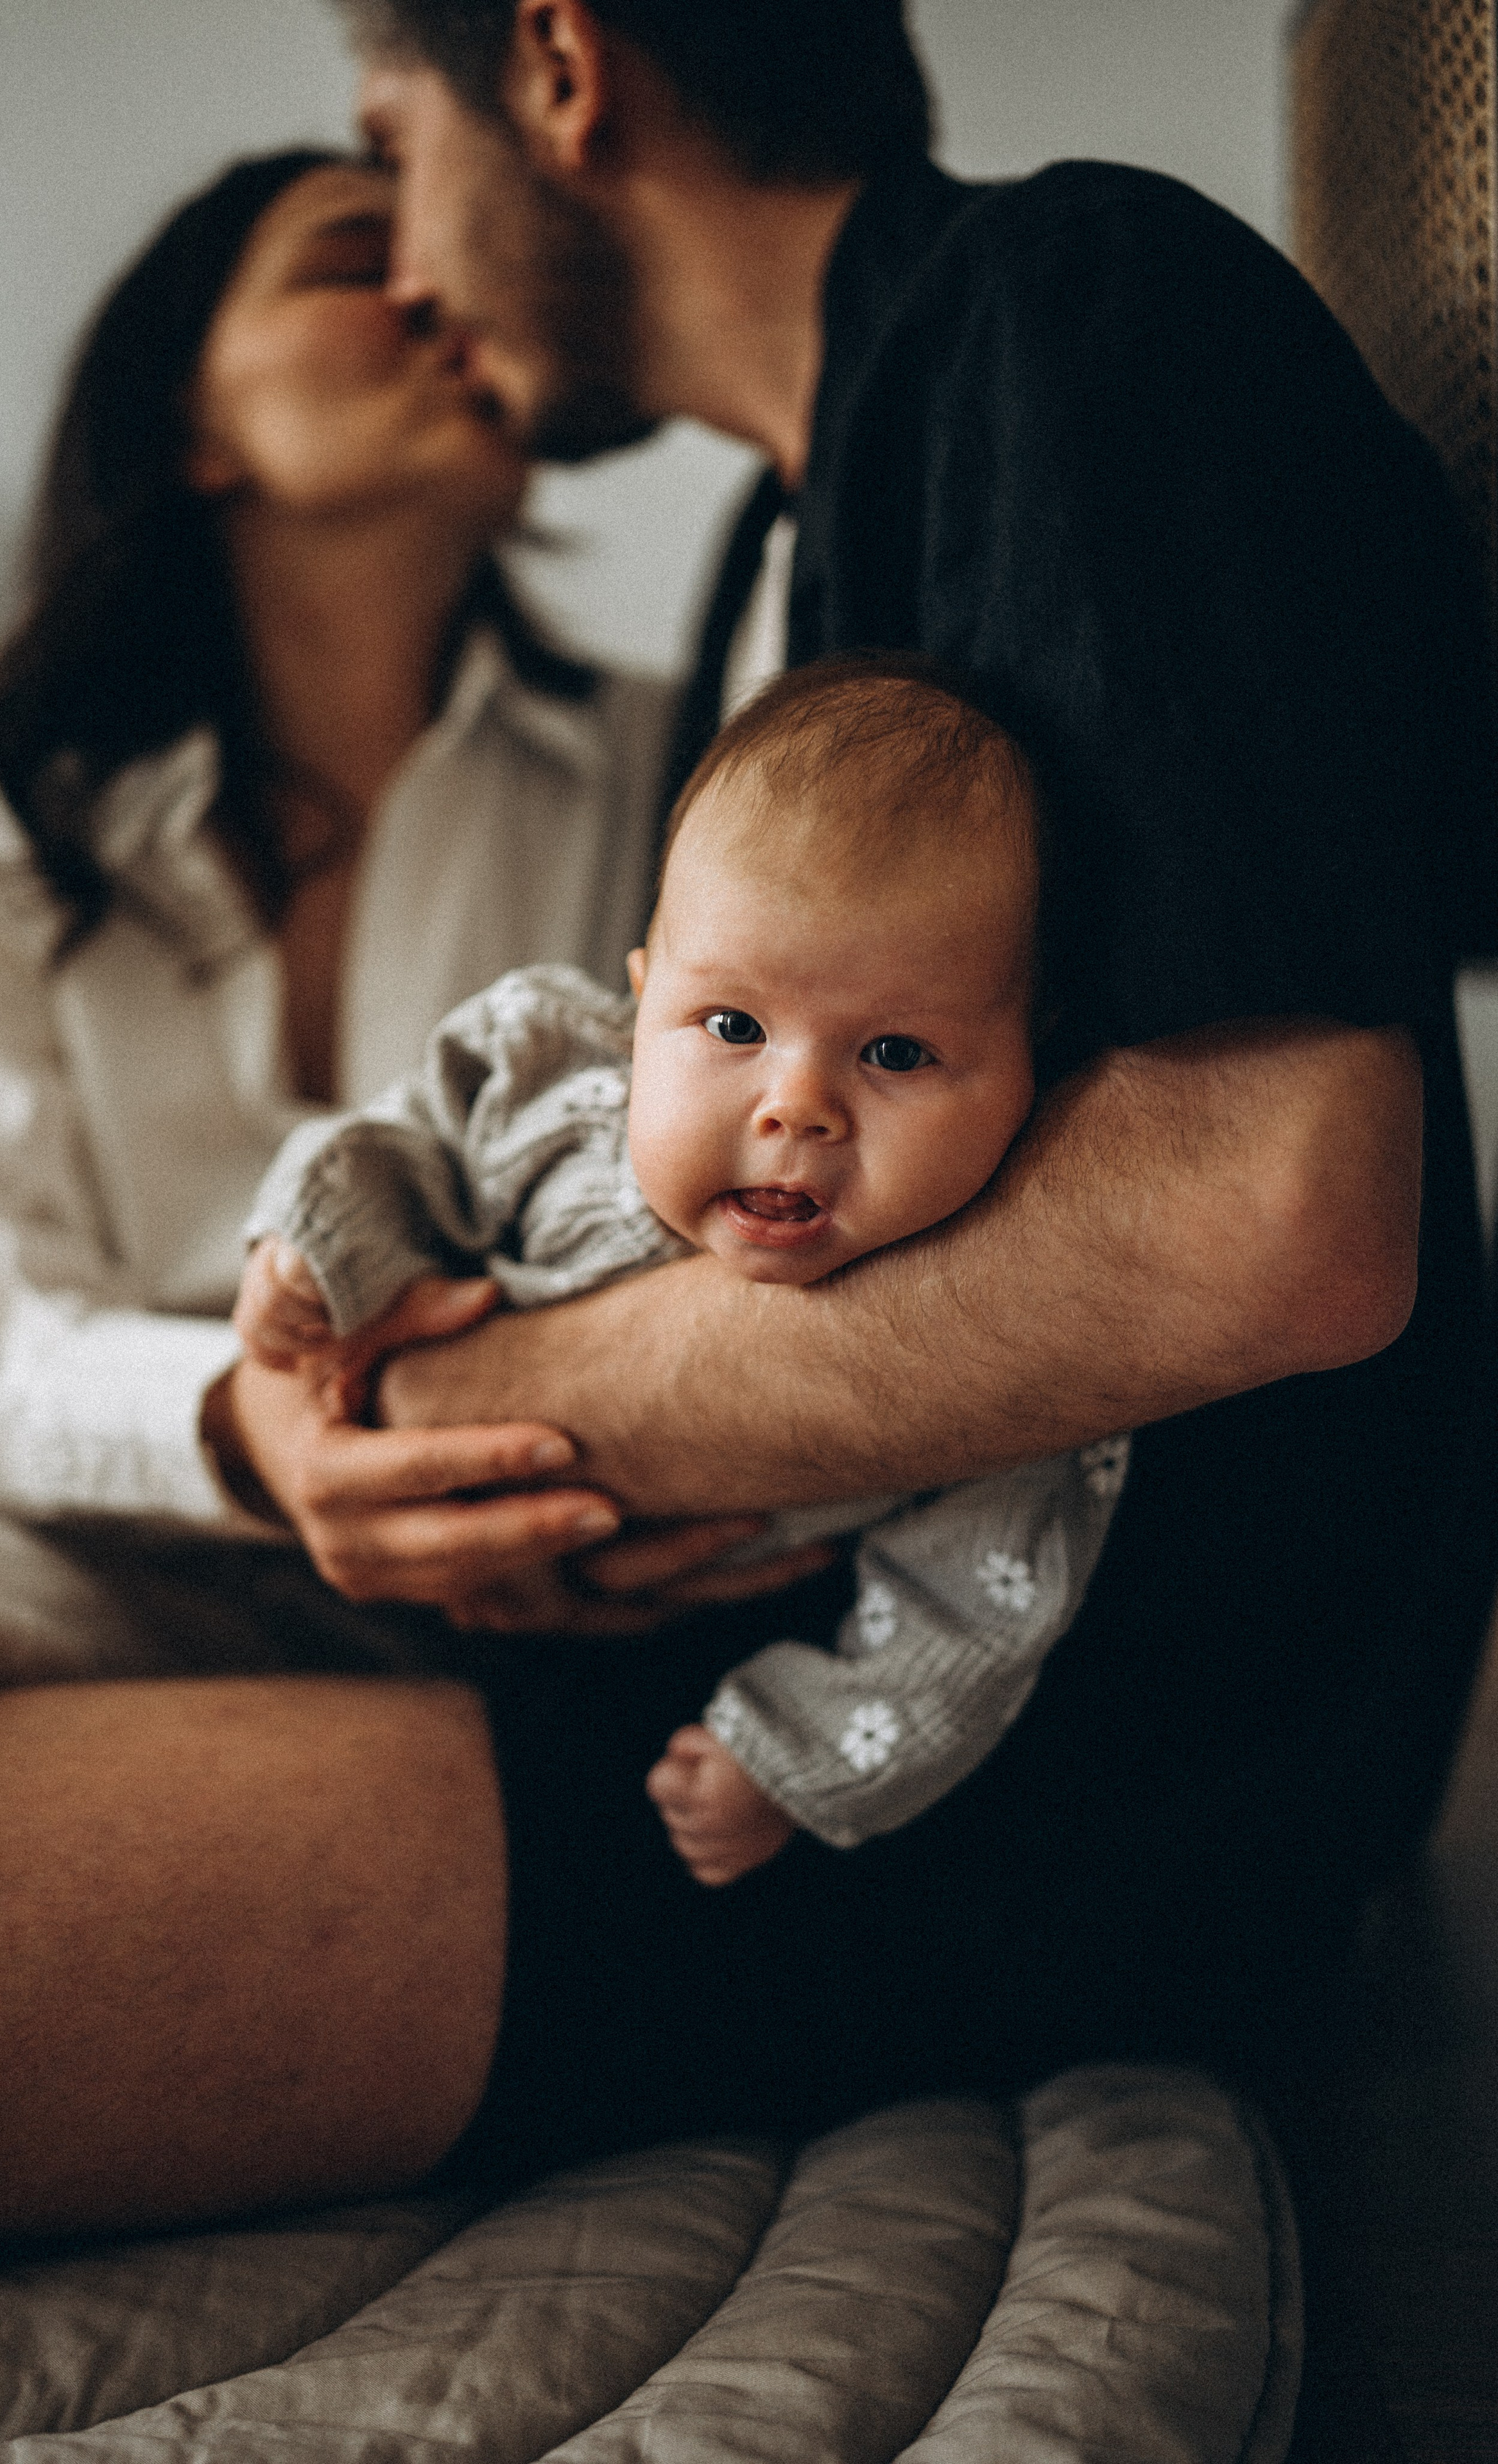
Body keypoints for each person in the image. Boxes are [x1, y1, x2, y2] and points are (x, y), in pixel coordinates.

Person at [225, 0, 1495, 2150]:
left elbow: (1273, 1225)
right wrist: (332, 1428)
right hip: (731, 1693)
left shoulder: (1075, 310)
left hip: (1041, 1790)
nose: (408, 266)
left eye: (389, 140)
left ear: (557, 64)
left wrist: (432, 1424)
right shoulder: (777, 549)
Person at [0, 148, 814, 2244]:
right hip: (91, 1548)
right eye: (344, 262)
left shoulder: (699, 784)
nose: (433, 289)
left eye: (435, 244)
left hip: (536, 1575)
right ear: (188, 421)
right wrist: (237, 1427)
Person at [236, 657, 1132, 1887]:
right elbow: (406, 1144)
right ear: (642, 999)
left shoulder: (999, 1361)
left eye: (896, 1051)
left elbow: (973, 1614)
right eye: (732, 1028)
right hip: (388, 1590)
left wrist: (789, 1754)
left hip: (694, 1693)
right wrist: (310, 1252)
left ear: (1032, 1071)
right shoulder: (554, 1082)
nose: (797, 1106)